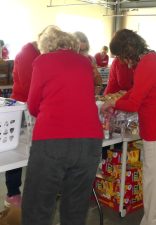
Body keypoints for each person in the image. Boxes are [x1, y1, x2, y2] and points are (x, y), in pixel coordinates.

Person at [22, 26, 103, 225]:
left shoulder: (42, 61)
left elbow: (33, 104)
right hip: (89, 141)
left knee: (38, 205)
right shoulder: (85, 62)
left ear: (46, 45)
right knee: (75, 206)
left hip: (52, 141)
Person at [101, 29, 156, 225]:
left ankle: (152, 220)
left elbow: (134, 103)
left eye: (120, 56)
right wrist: (117, 99)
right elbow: (137, 91)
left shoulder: (146, 64)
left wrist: (113, 103)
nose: (122, 61)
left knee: (152, 175)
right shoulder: (152, 59)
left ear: (128, 51)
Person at [4, 41, 41, 208]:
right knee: (15, 152)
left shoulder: (37, 53)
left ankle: (25, 191)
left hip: (31, 106)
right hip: (21, 107)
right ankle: (13, 193)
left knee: (29, 150)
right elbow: (29, 85)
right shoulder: (28, 54)